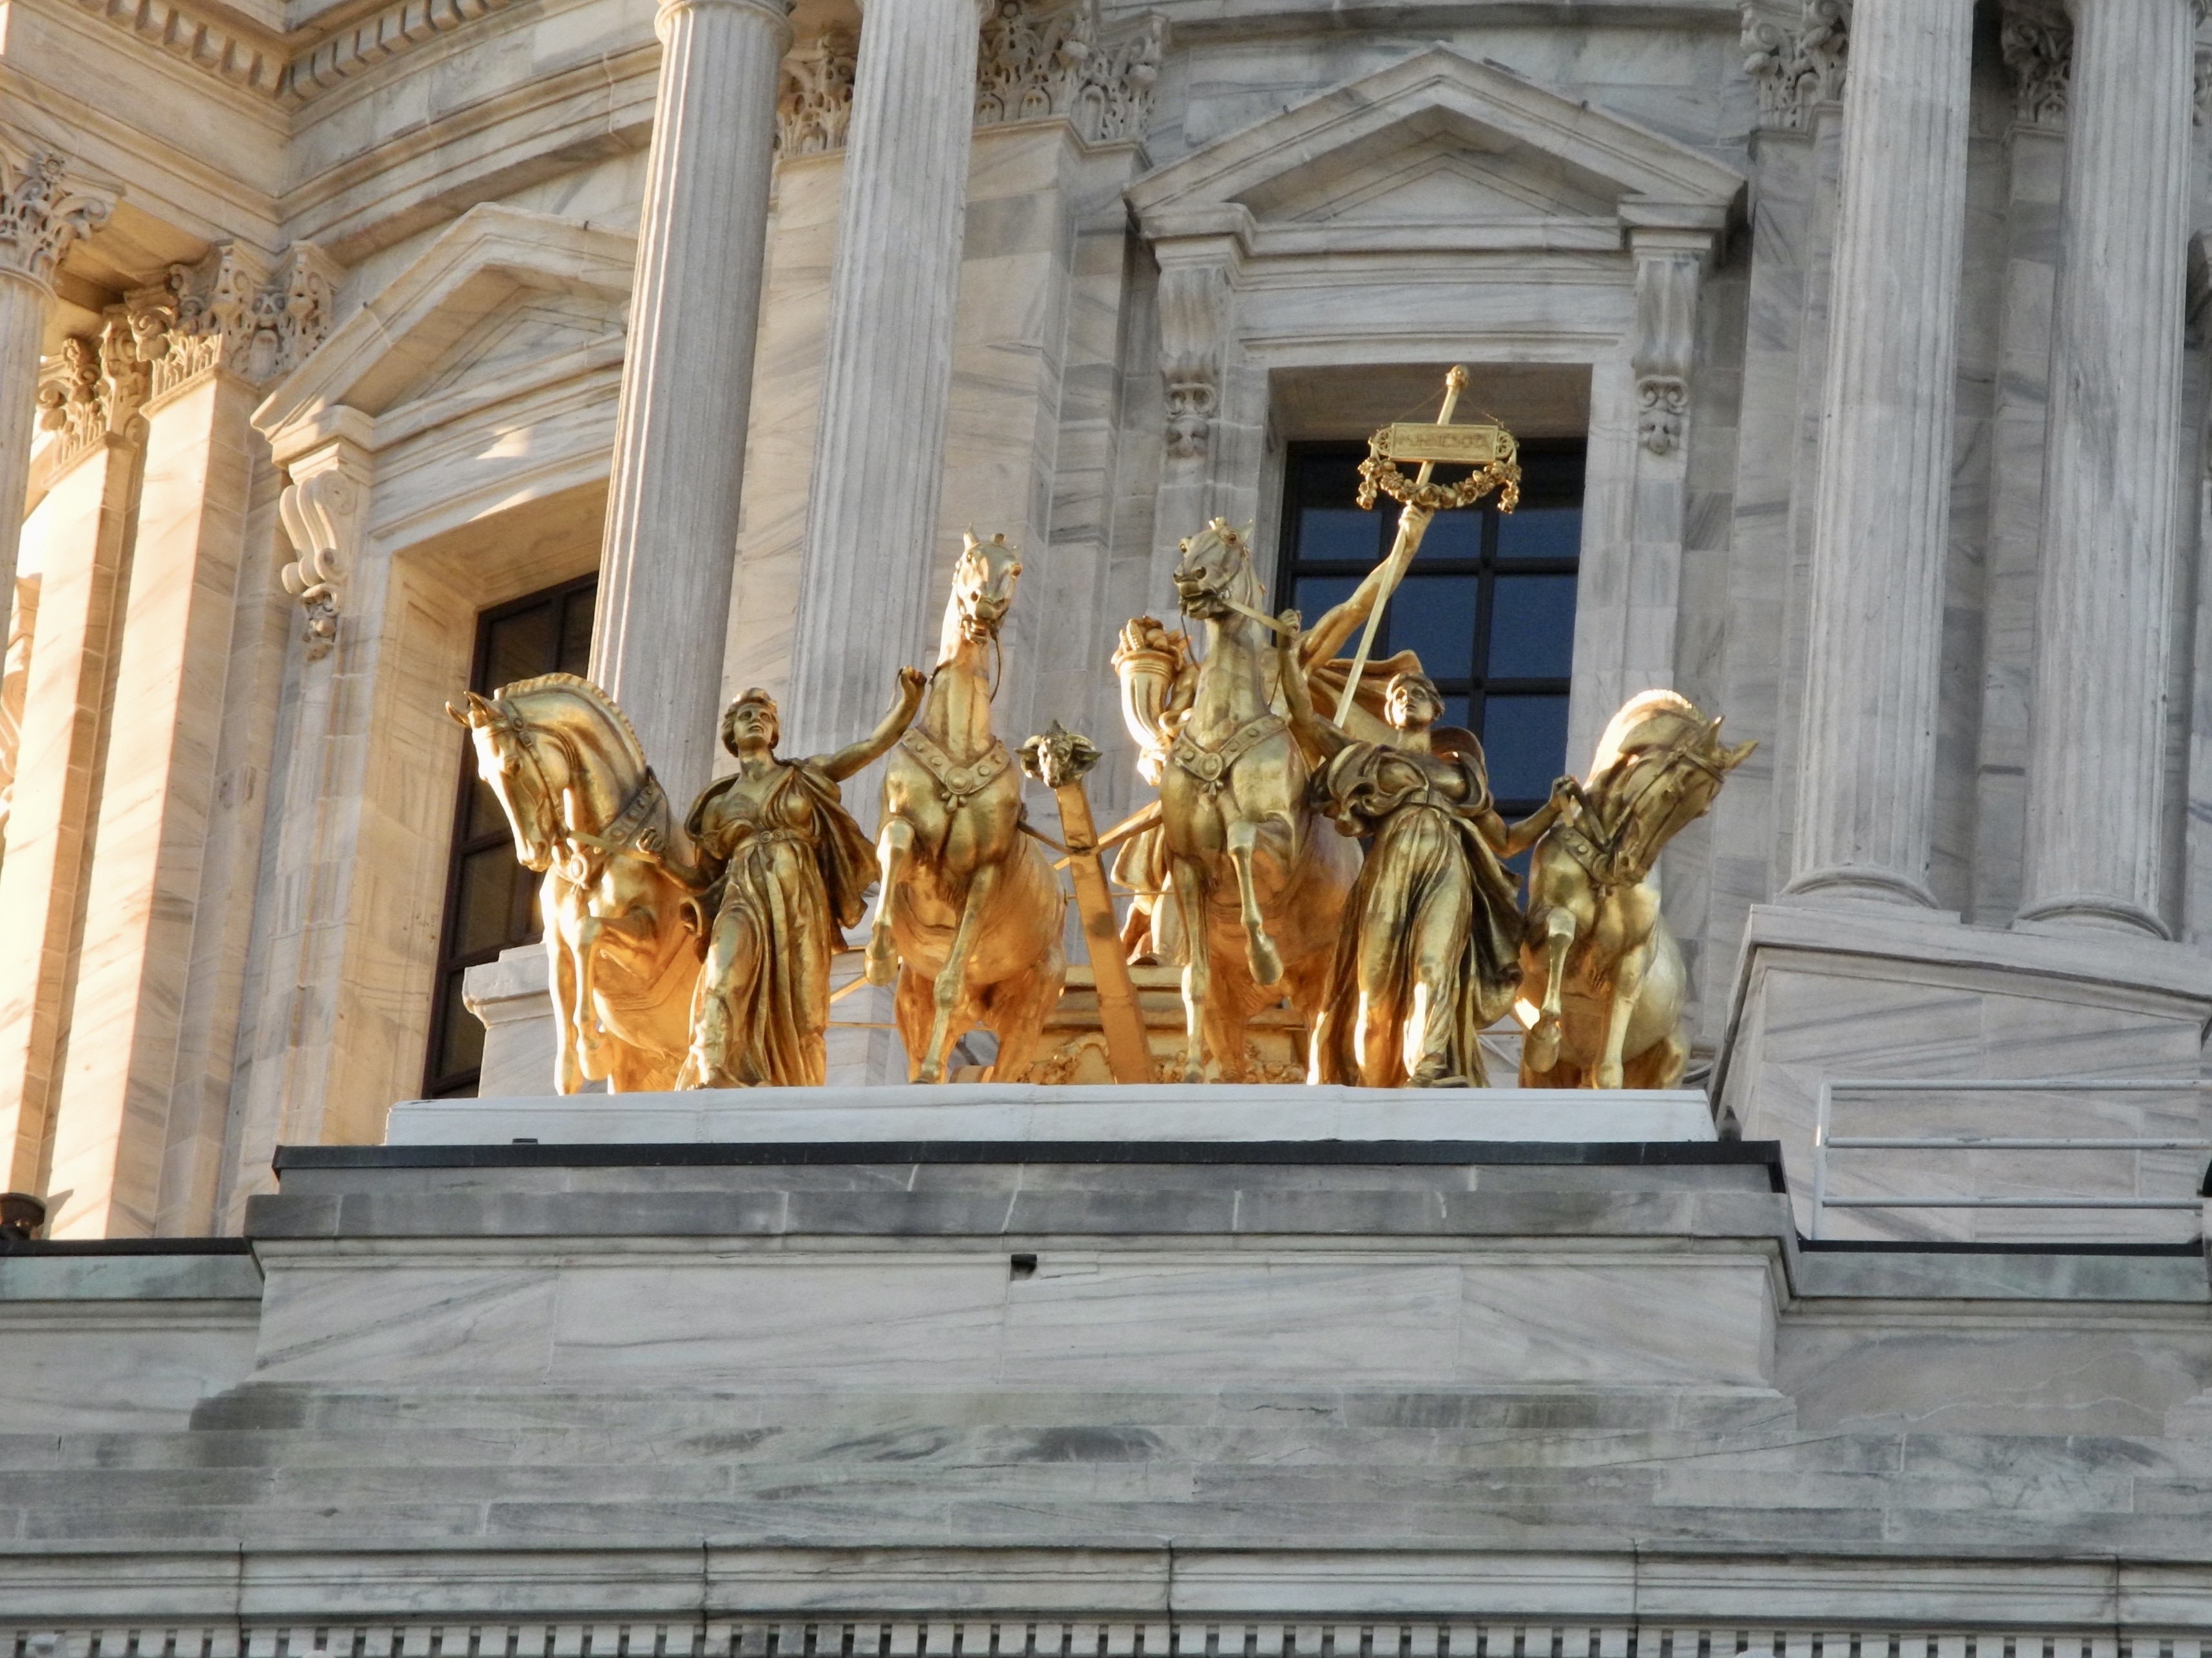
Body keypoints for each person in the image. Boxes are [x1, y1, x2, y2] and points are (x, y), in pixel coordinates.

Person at [1277, 610, 1573, 1088]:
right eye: (1397, 695)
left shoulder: (1461, 773)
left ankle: (1431, 1067)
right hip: (1390, 865)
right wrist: (1291, 655)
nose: (1406, 698)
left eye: (1417, 693)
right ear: (1389, 713)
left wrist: (1553, 808)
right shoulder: (1370, 759)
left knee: (1435, 967)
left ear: (1436, 710)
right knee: (1374, 993)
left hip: (1446, 865)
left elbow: (1506, 841)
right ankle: (1371, 1088)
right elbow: (1306, 720)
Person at [677, 670, 926, 1088]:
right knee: (723, 975)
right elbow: (701, 877)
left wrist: (908, 703)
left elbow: (869, 747)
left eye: (765, 714)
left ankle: (800, 1093)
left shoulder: (804, 775)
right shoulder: (718, 805)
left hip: (800, 900)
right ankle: (711, 1071)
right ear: (732, 733)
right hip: (743, 896)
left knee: (808, 1012)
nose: (756, 719)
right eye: (745, 715)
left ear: (774, 731)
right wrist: (655, 858)